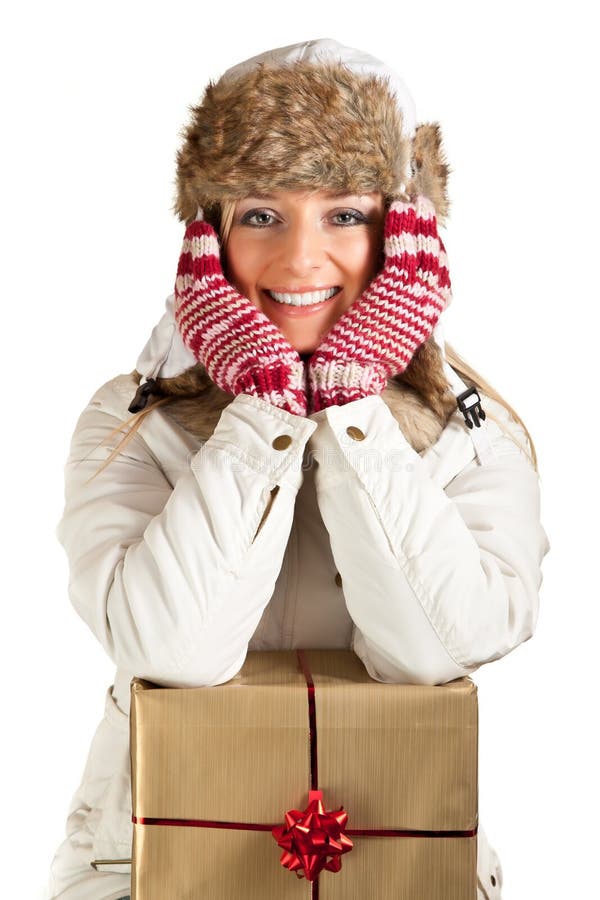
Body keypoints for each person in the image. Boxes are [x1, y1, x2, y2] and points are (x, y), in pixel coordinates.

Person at [45, 38, 550, 900]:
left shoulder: (474, 432)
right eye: (260, 215)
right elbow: (174, 650)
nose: (301, 260)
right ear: (208, 237)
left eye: (345, 214)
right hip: (153, 865)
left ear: (405, 234)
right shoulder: (132, 421)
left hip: (395, 862)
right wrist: (267, 411)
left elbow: (437, 651)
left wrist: (352, 405)